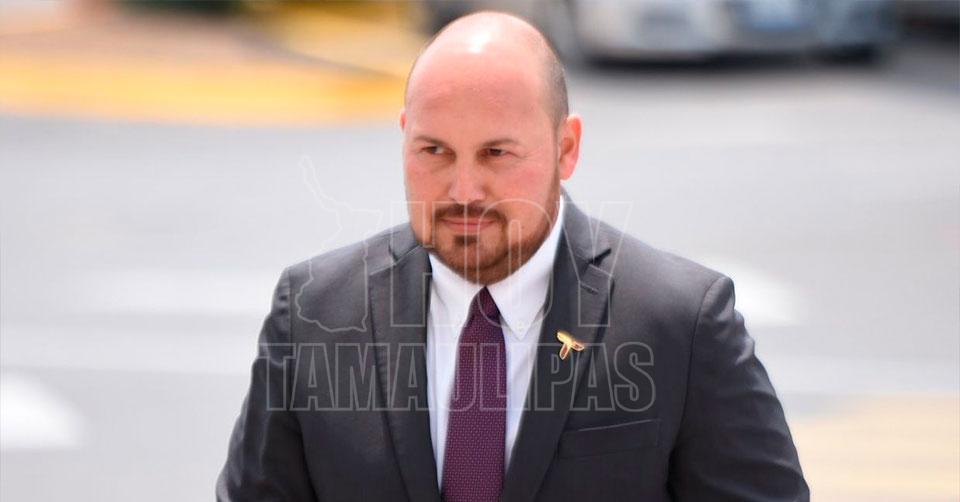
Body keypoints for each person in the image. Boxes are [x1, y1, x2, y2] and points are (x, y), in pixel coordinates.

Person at [217, 11, 808, 502]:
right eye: (434, 151)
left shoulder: (681, 323)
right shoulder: (313, 313)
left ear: (566, 148)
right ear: (404, 136)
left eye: (496, 154)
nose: (463, 190)